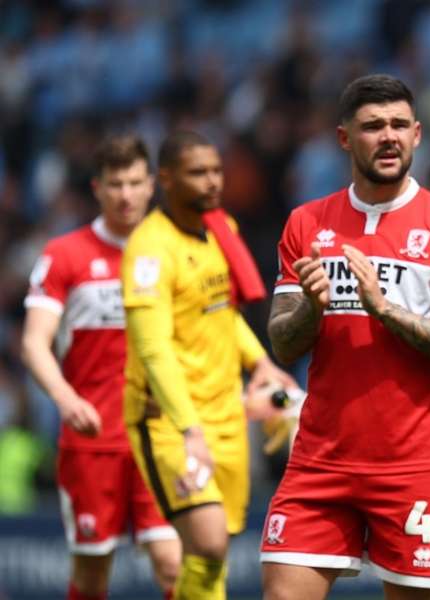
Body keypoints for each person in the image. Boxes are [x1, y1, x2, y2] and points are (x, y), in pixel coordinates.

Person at [259, 75, 430, 600]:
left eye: (397, 126)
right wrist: (313, 310)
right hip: (320, 459)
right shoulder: (306, 222)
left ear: (417, 134)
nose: (387, 137)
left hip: (415, 463)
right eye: (372, 127)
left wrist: (385, 310)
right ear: (345, 139)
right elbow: (284, 341)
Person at [120, 130, 296, 600]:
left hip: (228, 413)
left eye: (216, 170)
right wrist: (189, 430)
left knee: (212, 553)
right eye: (198, 173)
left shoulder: (224, 229)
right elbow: (152, 348)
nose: (213, 181)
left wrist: (261, 364)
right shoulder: (149, 251)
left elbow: (223, 313)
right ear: (166, 179)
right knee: (210, 542)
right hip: (170, 424)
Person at [21, 135, 181, 600]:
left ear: (152, 184)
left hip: (160, 436)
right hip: (92, 441)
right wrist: (67, 400)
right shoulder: (64, 255)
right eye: (116, 184)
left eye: (135, 182)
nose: (126, 195)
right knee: (92, 575)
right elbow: (34, 342)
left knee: (173, 564)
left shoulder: (174, 250)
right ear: (98, 187)